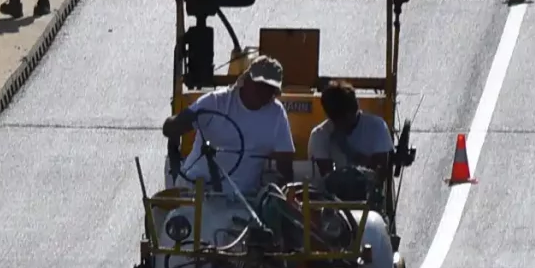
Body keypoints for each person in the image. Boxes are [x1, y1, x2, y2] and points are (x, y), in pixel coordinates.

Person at [163, 56, 295, 199]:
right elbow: (171, 128)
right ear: (246, 80)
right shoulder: (215, 102)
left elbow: (285, 165)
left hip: (243, 200)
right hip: (195, 191)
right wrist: (178, 123)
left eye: (271, 88)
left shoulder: (276, 113)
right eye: (260, 85)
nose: (265, 92)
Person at [307, 80, 395, 191]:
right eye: (337, 119)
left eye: (347, 117)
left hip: (368, 200)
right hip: (329, 203)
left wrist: (350, 152)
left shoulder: (377, 127)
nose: (342, 123)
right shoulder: (319, 135)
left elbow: (381, 172)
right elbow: (325, 179)